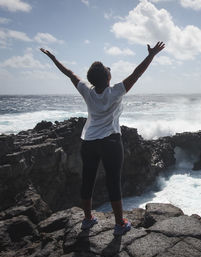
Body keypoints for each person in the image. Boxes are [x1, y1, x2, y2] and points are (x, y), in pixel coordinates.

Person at [40, 41, 165, 235]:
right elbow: (137, 74)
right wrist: (151, 55)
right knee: (113, 181)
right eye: (108, 69)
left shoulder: (86, 90)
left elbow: (70, 73)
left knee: (87, 180)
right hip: (111, 142)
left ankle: (88, 219)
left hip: (89, 142)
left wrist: (54, 59)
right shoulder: (115, 91)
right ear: (107, 77)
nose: (109, 69)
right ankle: (119, 224)